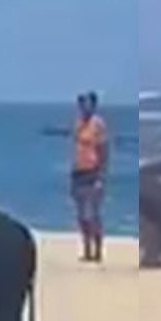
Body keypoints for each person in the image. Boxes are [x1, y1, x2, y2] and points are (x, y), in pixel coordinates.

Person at [72, 91, 110, 263]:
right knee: (81, 215)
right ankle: (86, 249)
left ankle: (98, 251)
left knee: (92, 214)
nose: (82, 107)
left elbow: (104, 151)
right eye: (81, 104)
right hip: (78, 172)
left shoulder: (98, 125)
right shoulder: (78, 123)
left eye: (85, 103)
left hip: (93, 172)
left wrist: (101, 177)